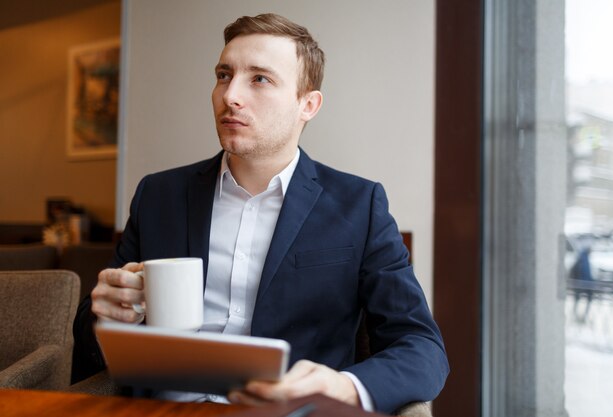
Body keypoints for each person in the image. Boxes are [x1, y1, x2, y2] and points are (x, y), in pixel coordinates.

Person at [73, 13, 449, 414]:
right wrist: (108, 315)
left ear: (308, 104)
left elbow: (421, 346)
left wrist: (343, 385)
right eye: (223, 75)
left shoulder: (360, 205)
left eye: (260, 79)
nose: (230, 95)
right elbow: (91, 339)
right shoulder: (158, 194)